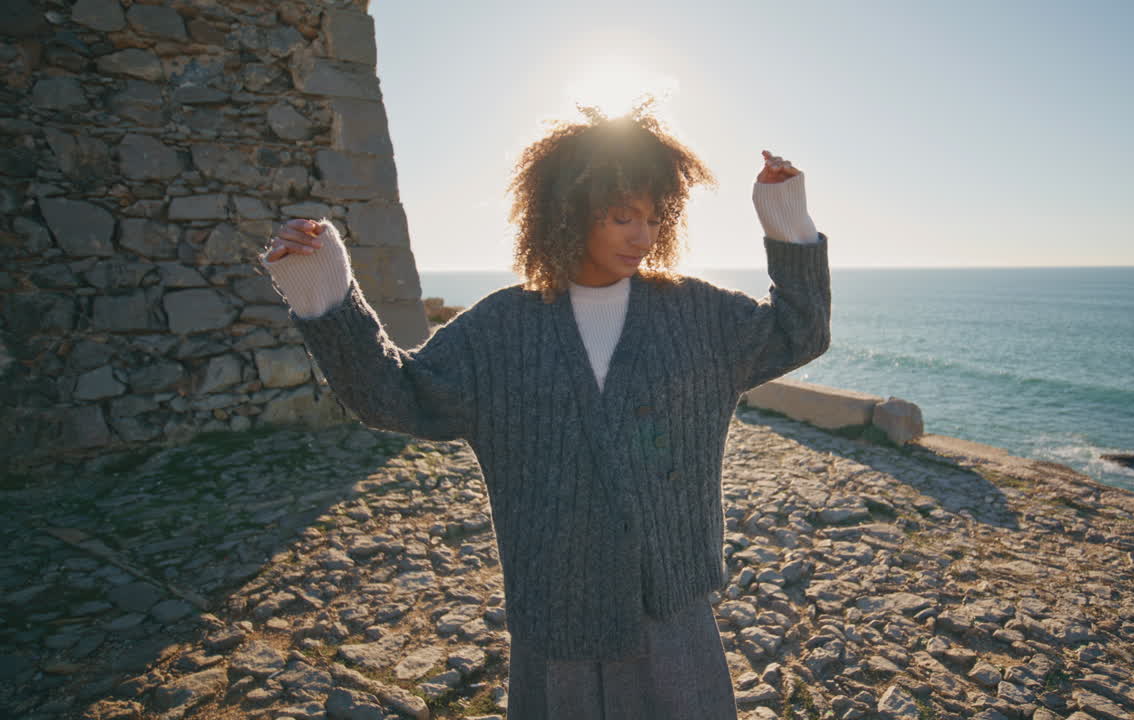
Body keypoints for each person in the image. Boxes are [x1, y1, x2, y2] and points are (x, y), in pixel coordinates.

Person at [261, 107, 830, 720]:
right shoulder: (499, 329)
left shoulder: (699, 314)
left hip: (672, 612)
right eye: (622, 217)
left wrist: (786, 220)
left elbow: (799, 331)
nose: (643, 236)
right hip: (557, 618)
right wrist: (325, 292)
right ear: (566, 211)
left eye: (653, 218)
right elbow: (393, 395)